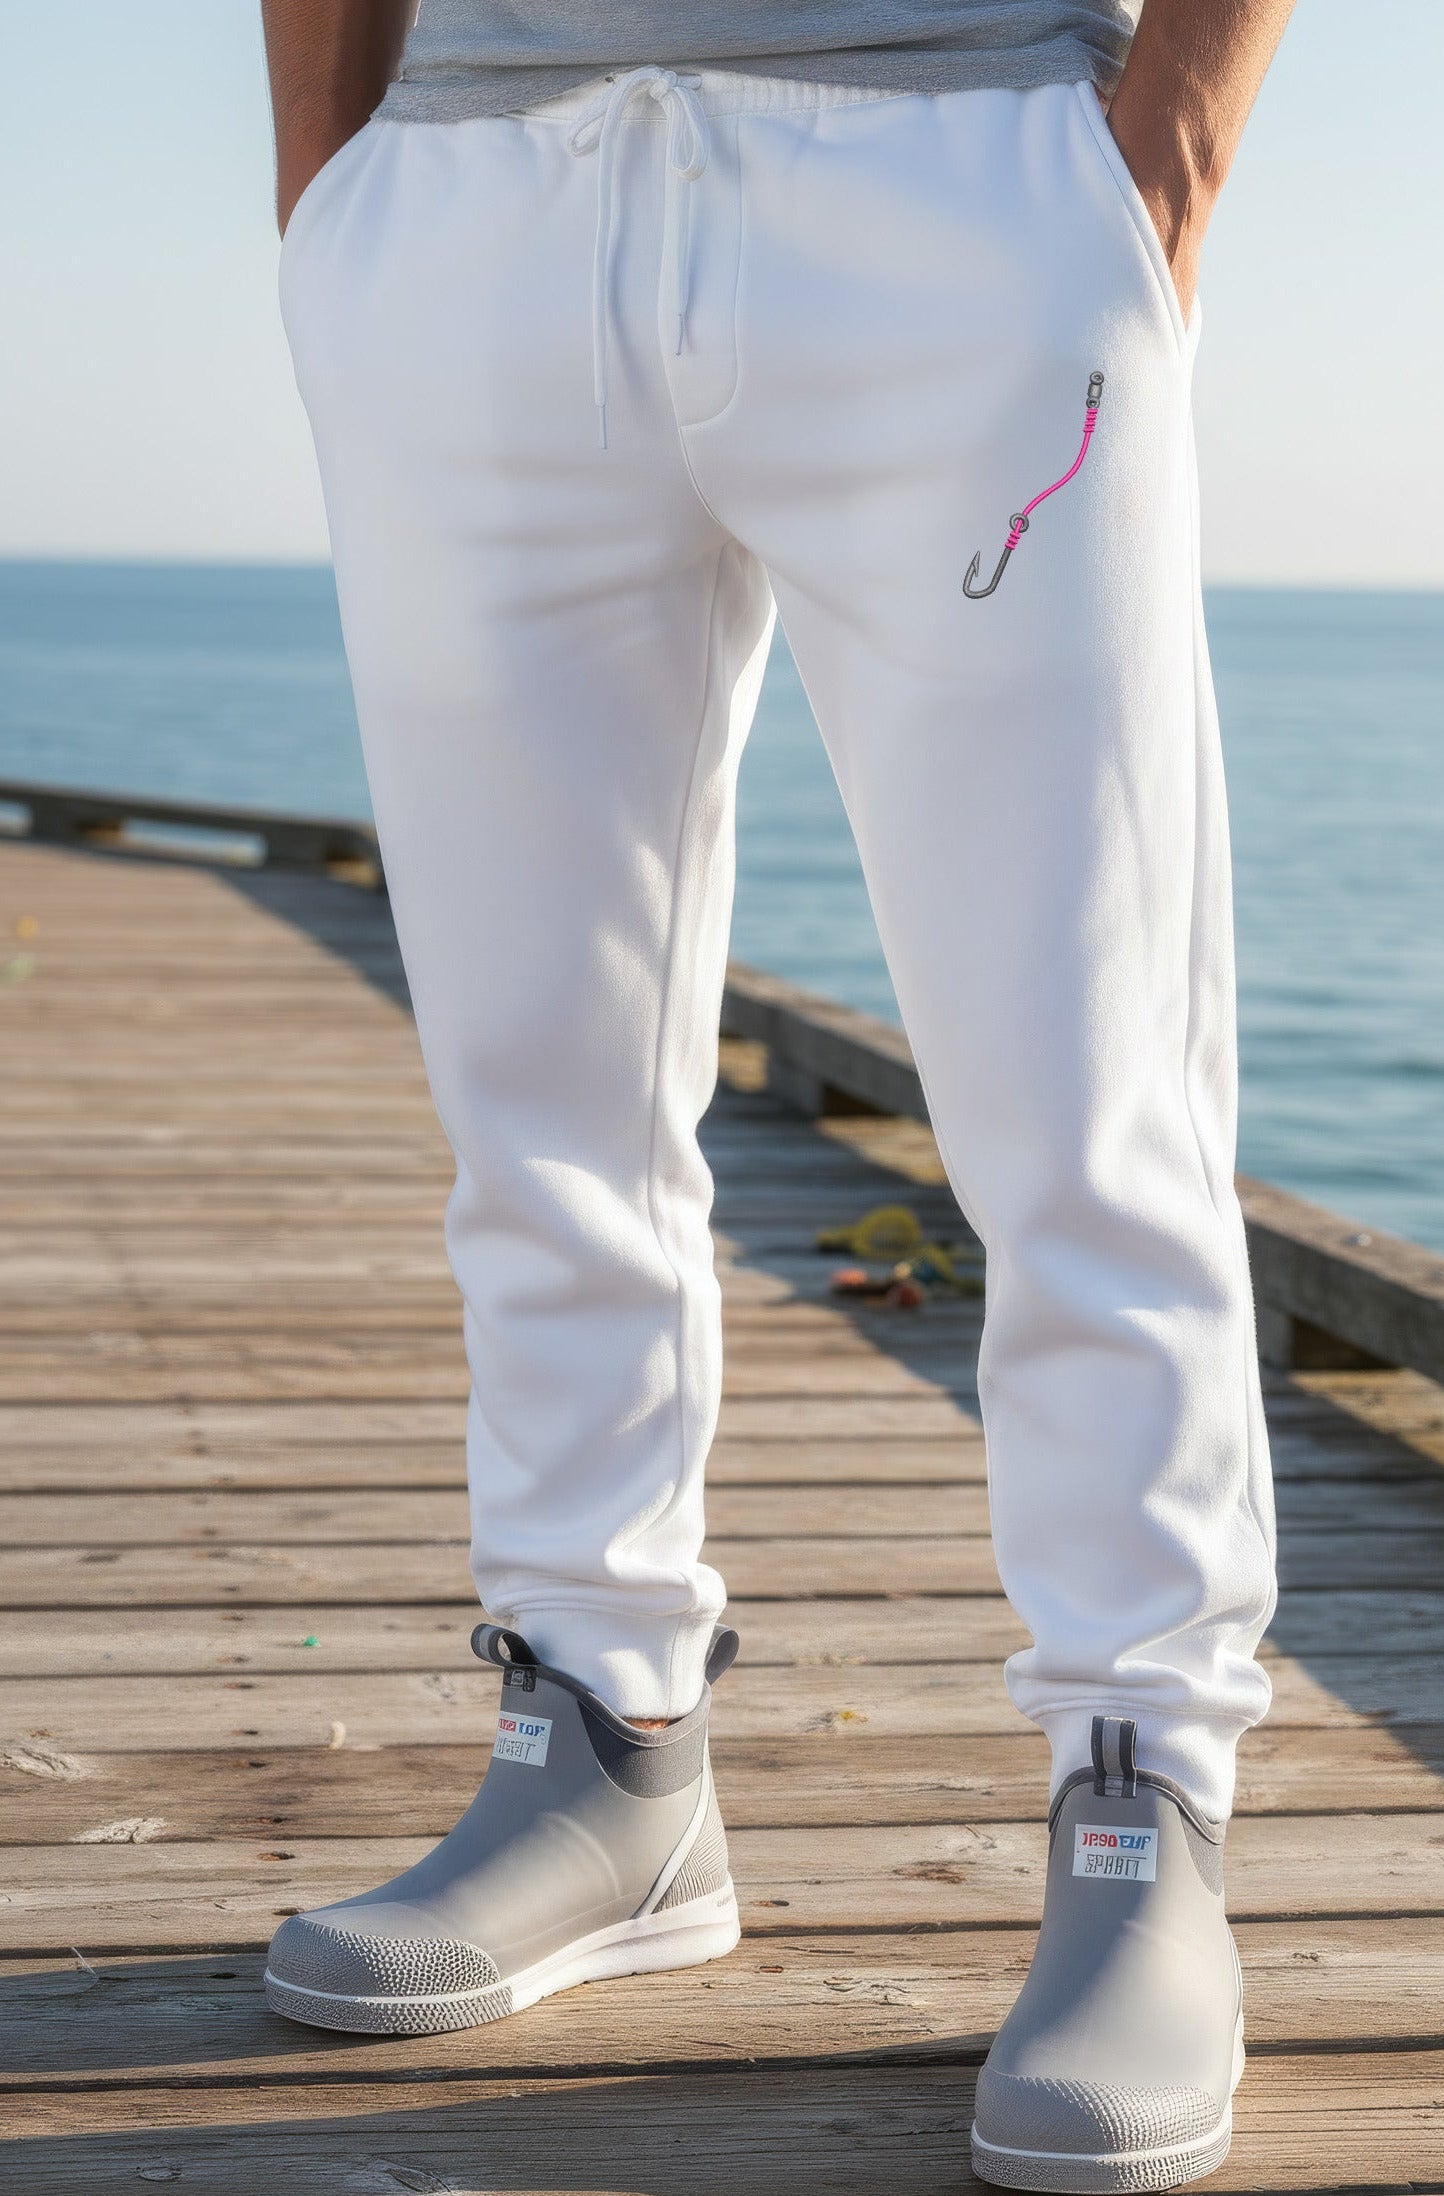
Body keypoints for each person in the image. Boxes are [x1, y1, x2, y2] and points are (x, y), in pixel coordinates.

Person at [258, 2, 1292, 2185]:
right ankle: (600, 1738)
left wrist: (1166, 144)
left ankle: (1139, 1785)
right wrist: (333, 173)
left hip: (962, 161)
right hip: (465, 199)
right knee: (532, 1076)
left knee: (1080, 1085)